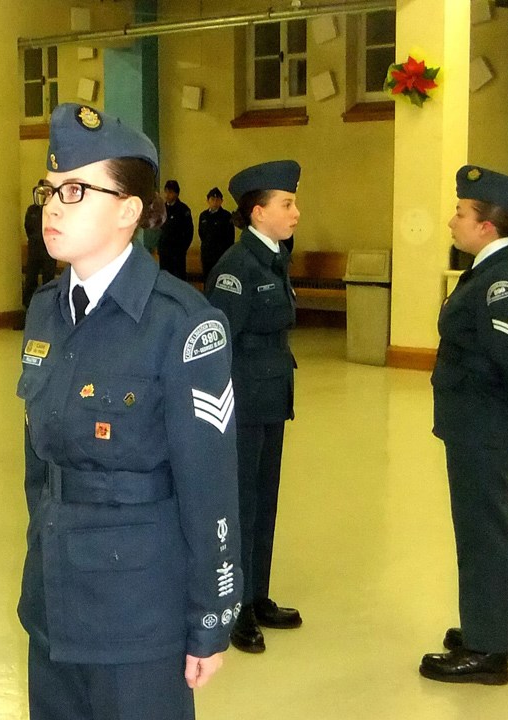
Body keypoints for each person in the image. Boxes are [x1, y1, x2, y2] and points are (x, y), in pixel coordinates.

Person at [18, 103, 241, 720]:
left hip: (139, 614)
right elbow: (39, 464)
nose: (53, 206)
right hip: (53, 599)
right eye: (50, 189)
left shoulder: (183, 326)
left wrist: (211, 615)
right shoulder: (44, 310)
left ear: (129, 210)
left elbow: (210, 484)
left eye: (75, 190)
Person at [419, 166, 508, 686]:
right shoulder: (486, 271)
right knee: (495, 524)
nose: (453, 220)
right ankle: (503, 628)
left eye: (461, 212)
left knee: (482, 532)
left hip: (483, 422)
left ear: (487, 226)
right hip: (480, 417)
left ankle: (487, 650)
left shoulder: (498, 283)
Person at [204, 160, 303, 654]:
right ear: (258, 212)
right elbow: (215, 347)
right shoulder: (236, 269)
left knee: (265, 499)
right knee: (240, 504)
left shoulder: (274, 258)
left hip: (270, 400)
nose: (296, 212)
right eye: (287, 204)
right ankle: (234, 606)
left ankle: (257, 594)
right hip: (240, 406)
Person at [22, 199, 58, 309]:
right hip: (34, 250)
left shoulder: (53, 210)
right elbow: (28, 227)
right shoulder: (32, 210)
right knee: (30, 280)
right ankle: (28, 310)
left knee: (49, 282)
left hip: (49, 251)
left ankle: (48, 309)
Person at [158, 179, 194, 280]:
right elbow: (159, 228)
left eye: (171, 192)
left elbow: (189, 232)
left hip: (177, 254)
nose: (167, 195)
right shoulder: (162, 208)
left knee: (178, 280)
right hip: (164, 252)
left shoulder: (183, 209)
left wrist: (181, 249)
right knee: (164, 280)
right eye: (166, 191)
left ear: (176, 194)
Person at [198, 187, 234, 280]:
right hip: (207, 254)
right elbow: (201, 233)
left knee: (219, 280)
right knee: (207, 279)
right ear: (208, 200)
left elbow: (230, 237)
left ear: (221, 201)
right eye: (212, 199)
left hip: (220, 255)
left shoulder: (226, 216)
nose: (215, 202)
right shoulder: (203, 215)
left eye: (217, 199)